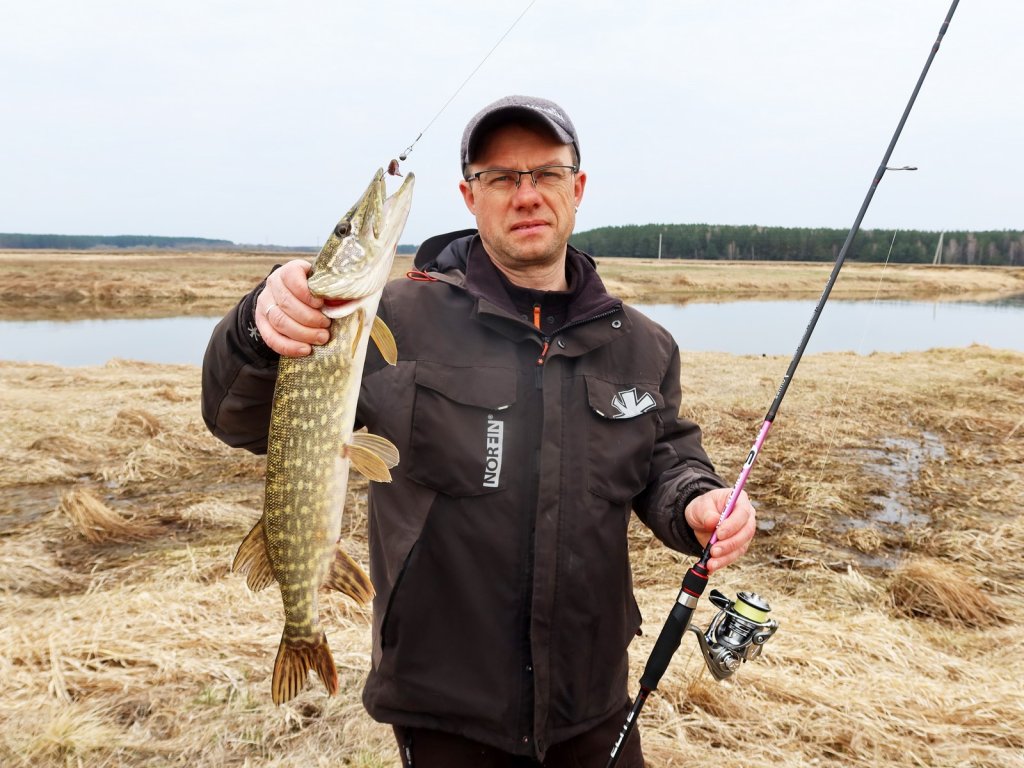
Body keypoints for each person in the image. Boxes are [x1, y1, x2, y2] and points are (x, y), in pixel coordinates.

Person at [202, 94, 756, 767]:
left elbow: (664, 457)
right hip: (445, 708)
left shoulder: (641, 345)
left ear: (576, 189)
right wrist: (257, 328)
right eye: (501, 178)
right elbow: (238, 418)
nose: (526, 195)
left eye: (546, 175)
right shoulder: (395, 319)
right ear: (470, 197)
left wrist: (697, 500)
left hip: (592, 700)